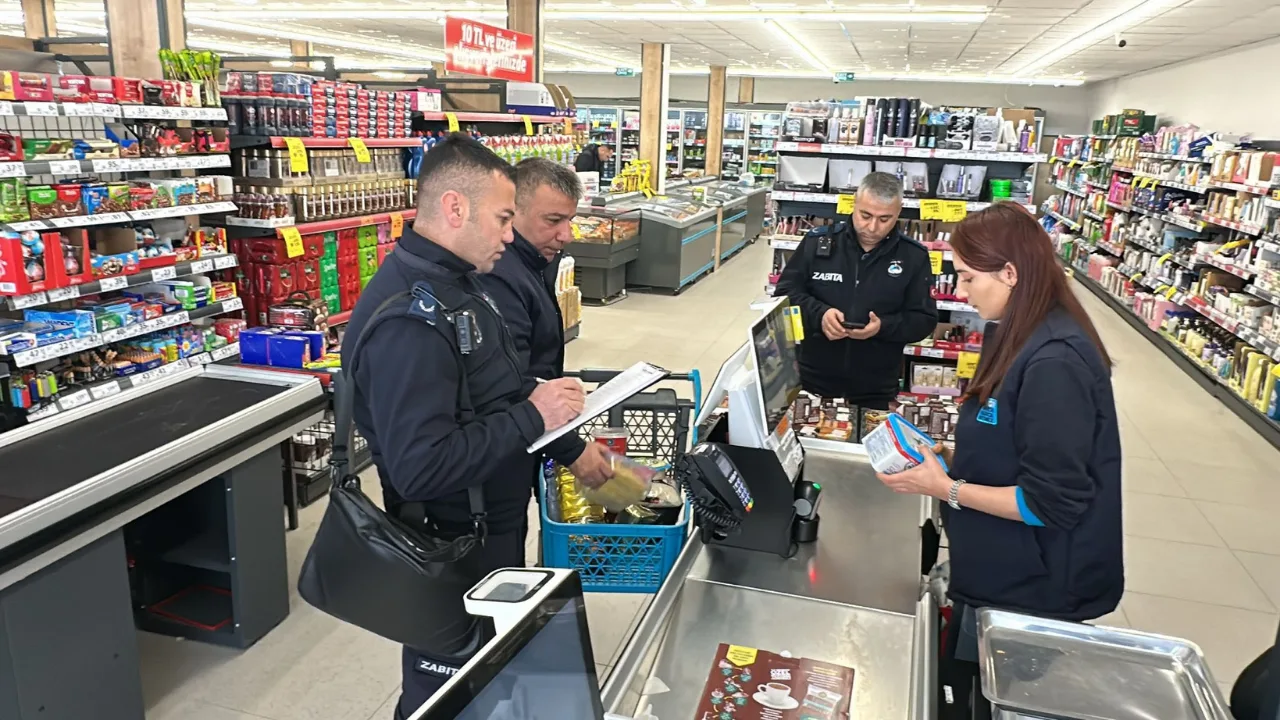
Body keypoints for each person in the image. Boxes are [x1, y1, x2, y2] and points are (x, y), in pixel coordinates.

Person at [339, 134, 588, 720]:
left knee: (485, 680)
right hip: (451, 550)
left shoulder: (460, 286)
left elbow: (487, 388)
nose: (510, 234)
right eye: (502, 218)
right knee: (445, 695)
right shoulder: (411, 320)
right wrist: (534, 414)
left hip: (485, 532)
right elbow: (420, 467)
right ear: (455, 208)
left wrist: (544, 409)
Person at [874, 203, 1123, 720]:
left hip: (1035, 587)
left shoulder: (1055, 361)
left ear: (1010, 273)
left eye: (968, 277)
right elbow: (1015, 439)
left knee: (989, 703)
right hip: (1001, 566)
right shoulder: (1021, 330)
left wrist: (945, 488)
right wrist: (949, 456)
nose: (961, 290)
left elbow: (1052, 503)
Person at [478, 157, 614, 488]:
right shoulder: (499, 276)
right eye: (553, 220)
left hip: (525, 438)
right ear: (512, 212)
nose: (566, 235)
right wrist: (573, 451)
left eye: (570, 220)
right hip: (497, 456)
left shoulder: (534, 263)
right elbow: (511, 382)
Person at [774, 171, 937, 409]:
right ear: (854, 204)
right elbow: (784, 295)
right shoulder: (818, 242)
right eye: (865, 215)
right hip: (812, 379)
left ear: (899, 212)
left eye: (884, 219)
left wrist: (882, 327)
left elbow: (924, 320)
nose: (872, 227)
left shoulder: (914, 256)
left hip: (876, 387)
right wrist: (820, 315)